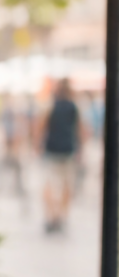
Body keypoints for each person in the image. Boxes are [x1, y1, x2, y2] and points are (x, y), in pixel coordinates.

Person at [41, 78, 84, 233]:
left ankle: (52, 216)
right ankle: (61, 216)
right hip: (68, 150)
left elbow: (41, 126)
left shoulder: (50, 106)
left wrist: (37, 146)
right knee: (66, 185)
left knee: (50, 185)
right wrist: (81, 150)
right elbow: (81, 130)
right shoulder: (74, 107)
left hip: (52, 150)